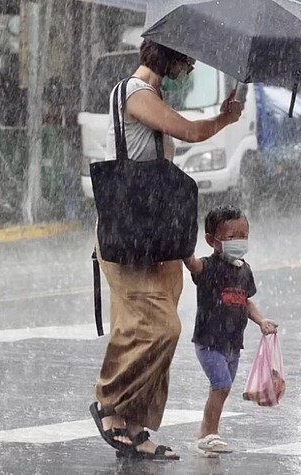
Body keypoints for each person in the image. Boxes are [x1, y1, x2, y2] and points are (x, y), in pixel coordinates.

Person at [89, 39, 242, 461]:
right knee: (158, 327)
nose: (191, 64)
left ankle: (136, 427)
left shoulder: (150, 94)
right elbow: (189, 132)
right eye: (187, 57)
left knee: (157, 328)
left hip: (153, 235)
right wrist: (224, 119)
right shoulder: (135, 93)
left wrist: (186, 254)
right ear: (168, 55)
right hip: (129, 236)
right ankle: (108, 401)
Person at [183, 205, 278, 455]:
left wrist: (261, 321)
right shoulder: (209, 266)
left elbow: (246, 301)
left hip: (233, 345)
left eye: (244, 236)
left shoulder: (244, 270)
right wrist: (182, 244)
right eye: (232, 237)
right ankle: (211, 434)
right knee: (221, 384)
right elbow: (193, 265)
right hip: (209, 342)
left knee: (221, 390)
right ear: (211, 241)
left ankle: (205, 432)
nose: (240, 241)